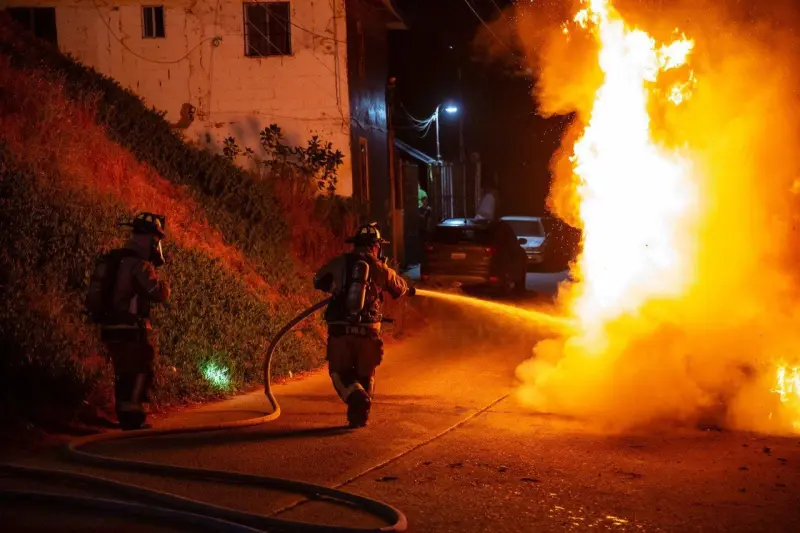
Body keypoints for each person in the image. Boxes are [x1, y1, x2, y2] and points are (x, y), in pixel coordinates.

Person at [313, 222, 416, 428]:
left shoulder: (341, 262)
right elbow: (399, 289)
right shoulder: (380, 268)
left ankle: (356, 397)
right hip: (369, 331)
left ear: (355, 244)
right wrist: (406, 288)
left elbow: (318, 279)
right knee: (366, 373)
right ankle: (362, 405)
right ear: (376, 246)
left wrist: (335, 289)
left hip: (340, 329)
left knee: (338, 372)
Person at [101, 213, 171, 430]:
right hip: (130, 327)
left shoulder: (119, 259)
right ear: (149, 238)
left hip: (111, 325)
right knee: (142, 368)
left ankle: (125, 415)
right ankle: (133, 418)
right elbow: (157, 293)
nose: (157, 244)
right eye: (156, 239)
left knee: (123, 371)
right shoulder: (139, 264)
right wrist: (165, 285)